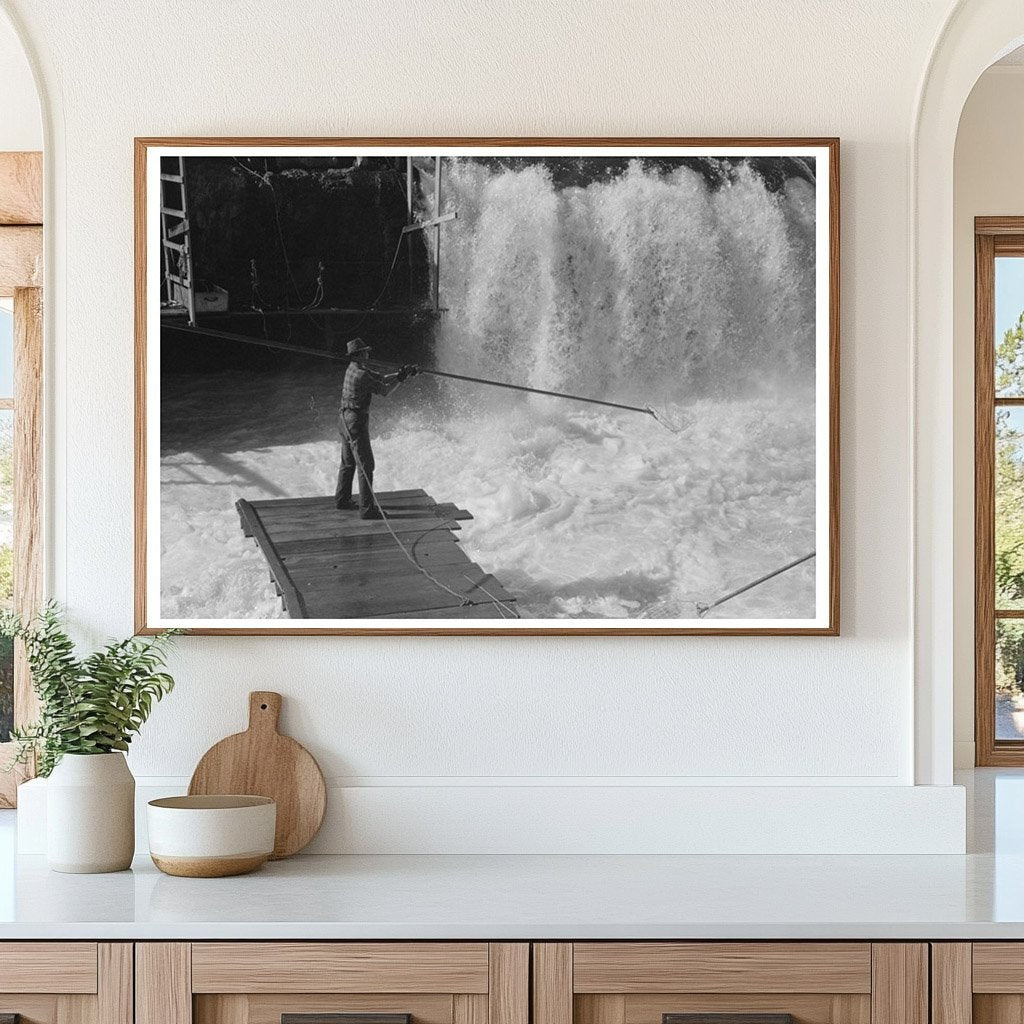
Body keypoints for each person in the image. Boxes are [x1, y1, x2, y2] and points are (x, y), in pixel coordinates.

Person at [335, 338, 418, 519]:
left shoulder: (353, 368)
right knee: (366, 465)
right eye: (365, 352)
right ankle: (367, 510)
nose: (368, 354)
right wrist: (401, 380)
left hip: (343, 418)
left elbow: (380, 378)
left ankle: (342, 500)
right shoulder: (361, 375)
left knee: (348, 463)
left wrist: (401, 374)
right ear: (360, 355)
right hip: (355, 422)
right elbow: (385, 390)